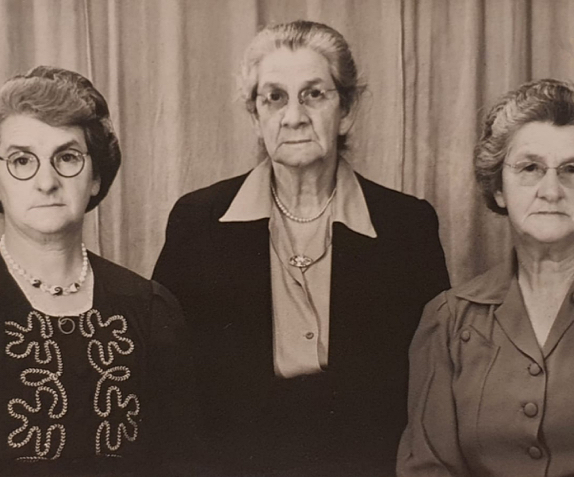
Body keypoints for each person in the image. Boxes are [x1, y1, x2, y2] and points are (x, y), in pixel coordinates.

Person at [153, 20, 450, 476]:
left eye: (314, 94)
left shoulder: (406, 226)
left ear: (346, 110)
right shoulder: (198, 222)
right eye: (274, 97)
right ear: (255, 116)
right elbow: (168, 383)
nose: (293, 116)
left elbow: (433, 387)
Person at [0, 66, 196, 476]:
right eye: (22, 160)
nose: (46, 181)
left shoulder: (150, 309)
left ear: (95, 177)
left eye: (67, 157)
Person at [397, 78, 574, 476]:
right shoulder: (449, 318)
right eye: (530, 168)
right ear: (498, 188)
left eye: (572, 169)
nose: (551, 189)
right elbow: (427, 467)